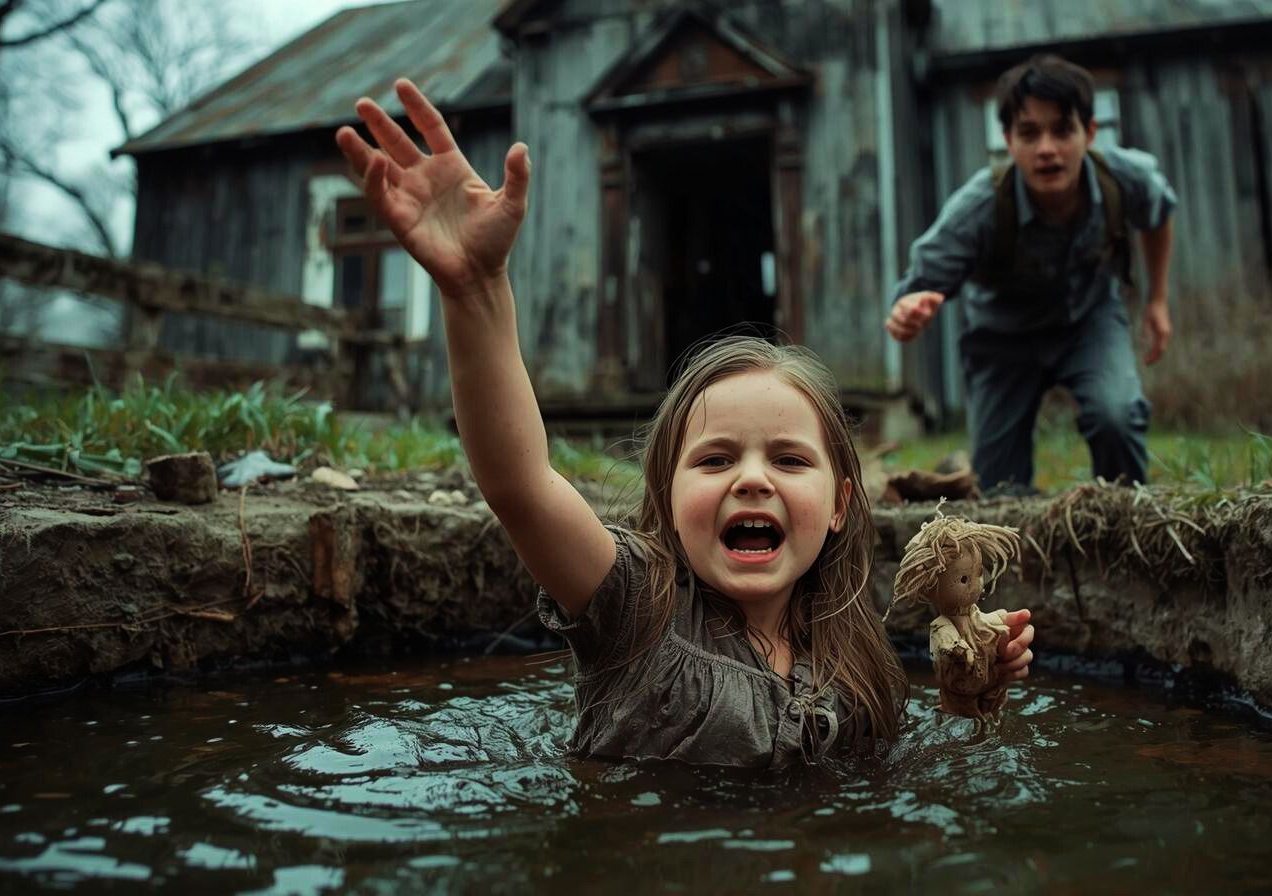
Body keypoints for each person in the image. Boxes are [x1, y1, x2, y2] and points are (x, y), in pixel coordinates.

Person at [335, 80, 1039, 768]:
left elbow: (902, 785)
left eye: (790, 461)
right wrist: (475, 290)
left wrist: (965, 702)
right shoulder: (634, 607)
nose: (753, 479)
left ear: (839, 506)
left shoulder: (858, 657)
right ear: (668, 502)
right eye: (714, 461)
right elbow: (519, 482)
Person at [886, 54, 1178, 495]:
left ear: (1090, 133)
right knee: (999, 489)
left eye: (1062, 130)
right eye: (1029, 133)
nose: (1047, 149)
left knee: (1116, 416)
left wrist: (1157, 299)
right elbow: (916, 289)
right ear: (1007, 138)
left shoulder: (1124, 178)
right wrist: (908, 313)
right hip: (1001, 339)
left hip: (1088, 322)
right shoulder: (978, 208)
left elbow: (1159, 214)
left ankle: (1125, 522)